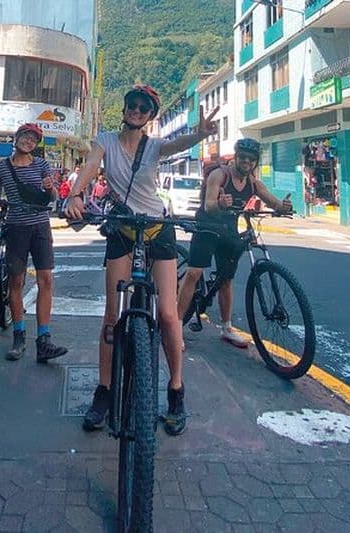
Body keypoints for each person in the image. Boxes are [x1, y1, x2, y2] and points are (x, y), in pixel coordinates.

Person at [65, 84, 220, 436]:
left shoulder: (154, 146)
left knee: (168, 313)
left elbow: (178, 145)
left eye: (143, 108)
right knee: (111, 316)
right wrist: (75, 194)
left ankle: (176, 390)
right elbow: (91, 165)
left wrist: (200, 134)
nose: (136, 111)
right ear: (124, 109)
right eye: (132, 105)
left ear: (150, 116)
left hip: (156, 228)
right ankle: (104, 390)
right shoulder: (104, 139)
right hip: (122, 228)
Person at [177, 138, 293, 350]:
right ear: (236, 156)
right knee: (193, 273)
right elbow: (209, 205)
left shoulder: (253, 183)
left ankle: (227, 328)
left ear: (255, 162)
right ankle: (175, 328)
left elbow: (272, 201)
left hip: (228, 230)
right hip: (207, 227)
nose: (246, 162)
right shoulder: (219, 175)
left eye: (251, 159)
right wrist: (219, 204)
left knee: (226, 280)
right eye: (243, 157)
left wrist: (283, 206)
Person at [0, 123, 68, 362]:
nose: (29, 142)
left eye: (33, 140)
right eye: (26, 137)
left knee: (46, 280)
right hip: (16, 228)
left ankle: (44, 339)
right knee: (17, 280)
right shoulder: (0, 167)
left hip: (41, 226)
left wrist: (50, 188)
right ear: (17, 138)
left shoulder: (42, 165)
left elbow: (52, 197)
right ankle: (19, 336)